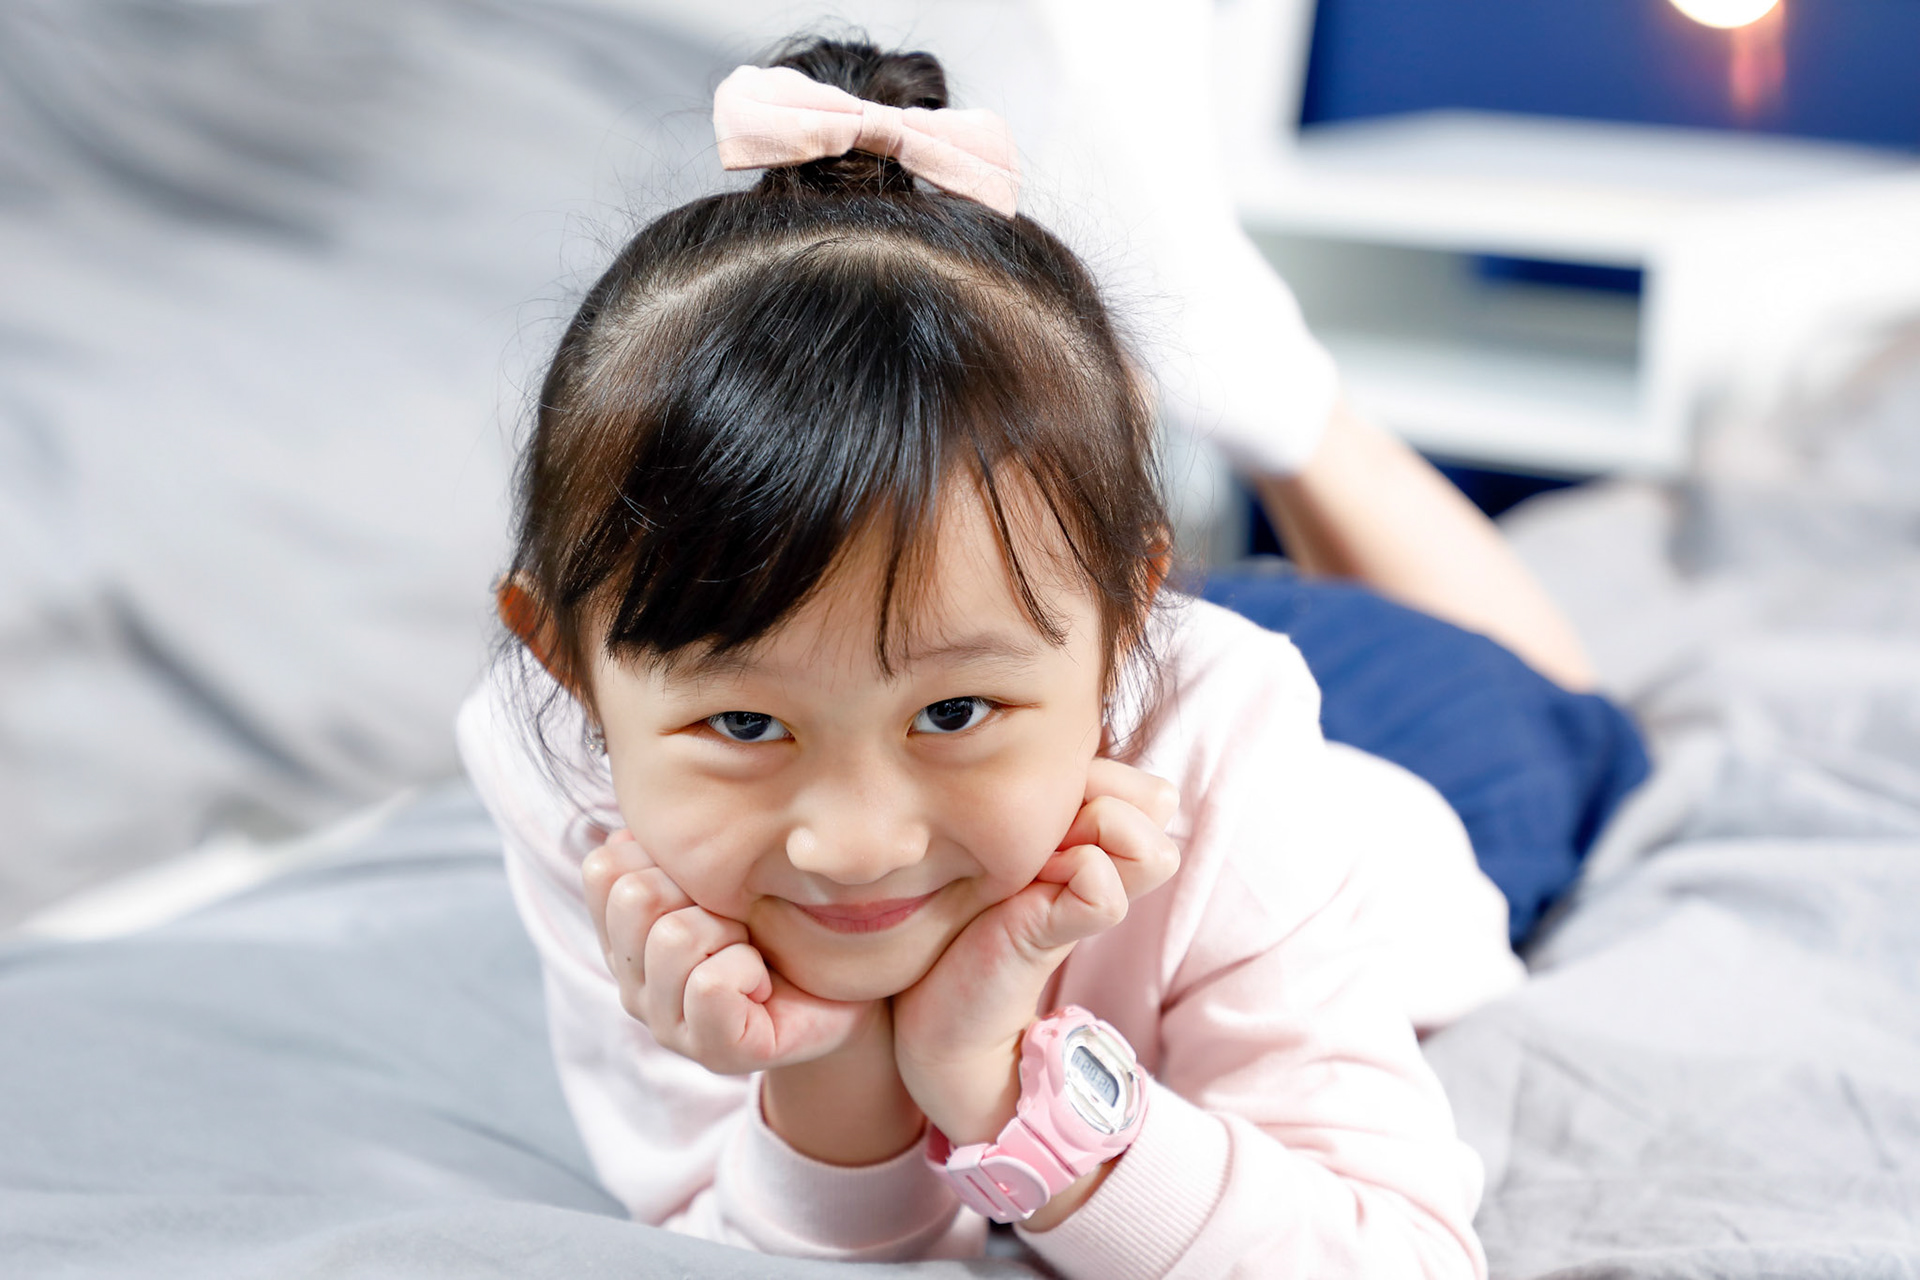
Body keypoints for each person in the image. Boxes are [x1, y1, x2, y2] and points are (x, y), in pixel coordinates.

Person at [455, 27, 1638, 1279]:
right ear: (565, 666)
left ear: (1139, 610)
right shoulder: (562, 772)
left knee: (1563, 708)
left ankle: (1268, 388)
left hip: (1377, 772)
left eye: (950, 715)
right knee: (977, 620)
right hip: (1032, 634)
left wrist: (1010, 1084)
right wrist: (833, 1077)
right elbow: (719, 1223)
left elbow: (1394, 1256)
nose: (855, 845)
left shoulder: (1236, 736)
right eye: (745, 726)